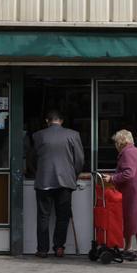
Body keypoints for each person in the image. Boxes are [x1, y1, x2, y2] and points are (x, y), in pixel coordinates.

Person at [30, 110, 85, 258]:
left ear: (47, 121)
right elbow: (79, 160)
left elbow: (32, 159)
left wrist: (39, 172)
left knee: (43, 217)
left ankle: (42, 249)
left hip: (43, 182)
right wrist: (73, 175)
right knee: (63, 217)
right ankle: (59, 247)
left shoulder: (38, 135)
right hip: (65, 182)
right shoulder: (73, 135)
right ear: (62, 120)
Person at [98, 130, 137, 261]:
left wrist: (112, 179)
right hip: (136, 191)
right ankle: (128, 248)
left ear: (120, 142)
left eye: (116, 142)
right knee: (131, 221)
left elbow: (129, 173)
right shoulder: (134, 151)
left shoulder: (128, 153)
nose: (115, 145)